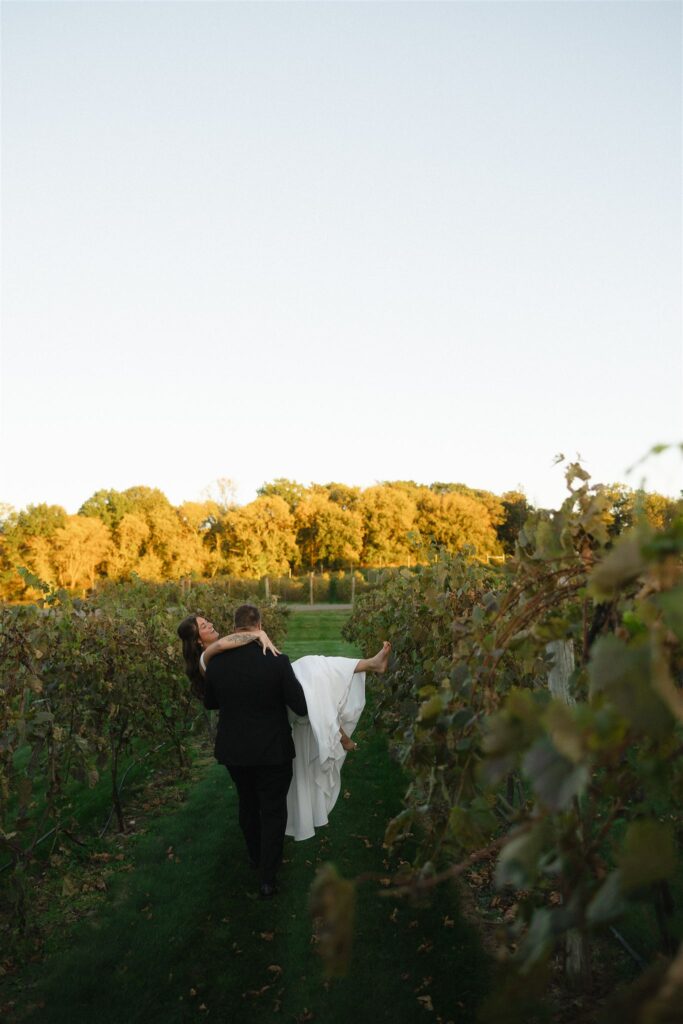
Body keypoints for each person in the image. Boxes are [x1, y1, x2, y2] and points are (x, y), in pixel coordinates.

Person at [177, 604, 390, 894]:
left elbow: (212, 702)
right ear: (259, 626)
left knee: (248, 805)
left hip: (234, 751)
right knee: (273, 810)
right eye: (204, 625)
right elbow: (300, 707)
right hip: (272, 749)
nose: (211, 625)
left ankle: (255, 857)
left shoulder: (212, 666)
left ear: (235, 627)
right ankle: (268, 877)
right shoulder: (276, 661)